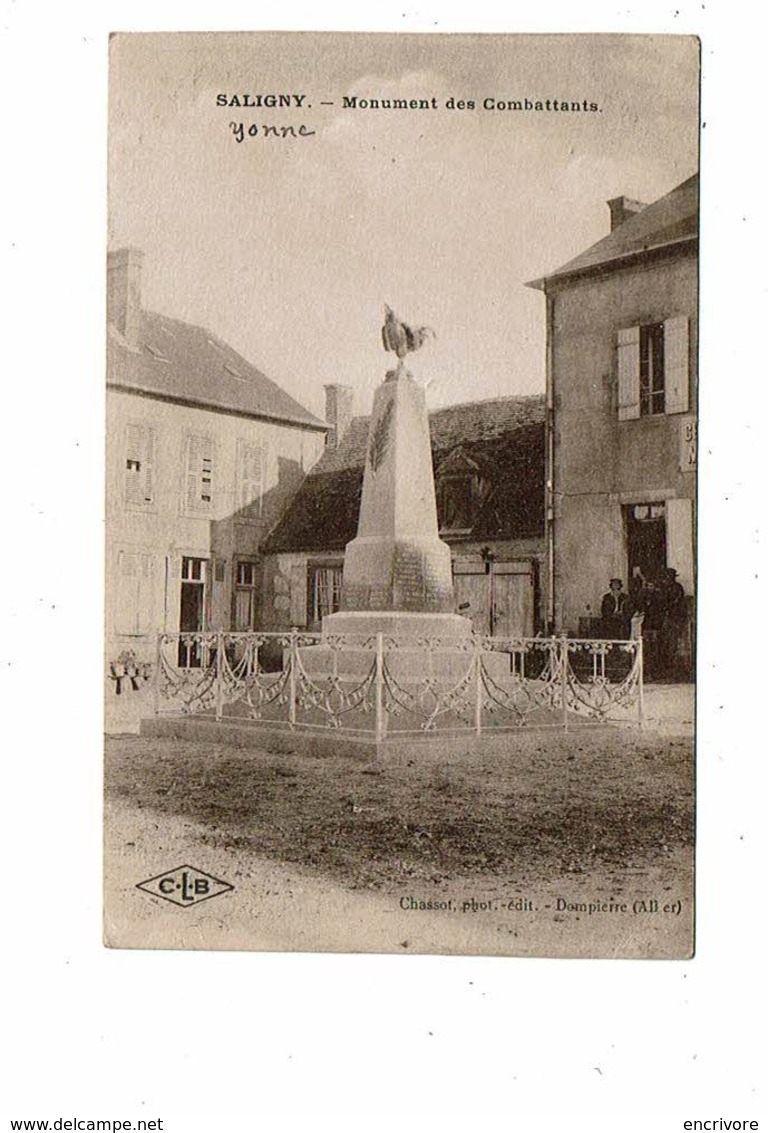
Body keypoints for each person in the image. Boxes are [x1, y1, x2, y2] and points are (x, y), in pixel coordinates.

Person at [657, 567, 687, 679]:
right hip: (665, 619)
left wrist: (666, 607)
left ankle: (672, 670)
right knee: (664, 643)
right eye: (666, 577)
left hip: (674, 619)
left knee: (672, 644)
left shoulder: (677, 588)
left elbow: (676, 602)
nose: (667, 579)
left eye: (669, 577)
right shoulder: (663, 588)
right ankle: (664, 668)